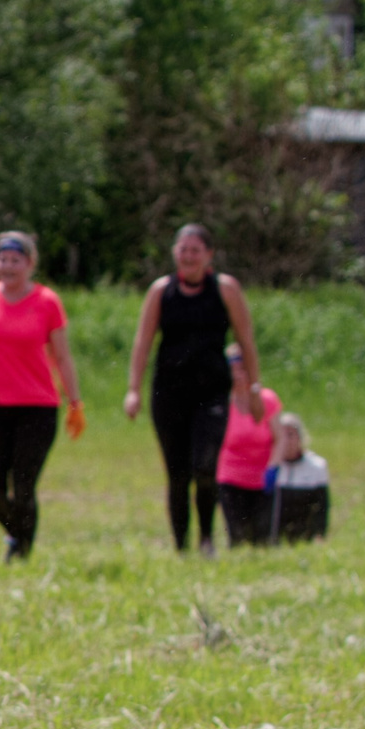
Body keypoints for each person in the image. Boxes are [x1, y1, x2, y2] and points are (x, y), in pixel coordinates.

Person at [123, 224, 259, 556]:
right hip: (168, 393)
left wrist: (254, 385)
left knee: (205, 466)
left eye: (195, 250)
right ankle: (181, 545)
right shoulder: (161, 291)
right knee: (178, 472)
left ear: (209, 255)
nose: (188, 256)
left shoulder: (225, 290)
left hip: (211, 392)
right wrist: (133, 389)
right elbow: (143, 343)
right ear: (175, 254)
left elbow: (246, 339)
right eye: (183, 249)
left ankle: (207, 538)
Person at [0, 231, 84, 561]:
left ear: (30, 264)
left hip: (38, 408)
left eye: (15, 260)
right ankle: (18, 534)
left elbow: (63, 356)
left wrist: (75, 402)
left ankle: (21, 551)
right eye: (2, 259)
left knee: (24, 486)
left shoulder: (47, 302)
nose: (7, 266)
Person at [215, 344, 283, 548]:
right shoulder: (222, 403)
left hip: (262, 477)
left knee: (262, 538)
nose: (238, 375)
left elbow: (279, 438)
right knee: (237, 537)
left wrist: (273, 467)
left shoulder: (267, 400)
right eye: (233, 369)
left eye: (243, 368)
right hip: (231, 477)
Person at [269, 413, 329, 542]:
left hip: (305, 536)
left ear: (300, 437)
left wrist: (319, 535)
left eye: (290, 435)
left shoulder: (316, 466)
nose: (287, 441)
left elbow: (322, 507)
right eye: (282, 435)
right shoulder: (270, 467)